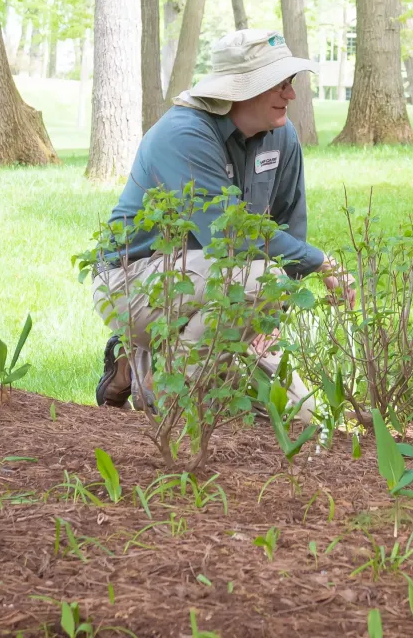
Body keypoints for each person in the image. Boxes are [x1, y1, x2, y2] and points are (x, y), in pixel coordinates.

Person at [94, 28, 350, 414]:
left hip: (225, 290)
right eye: (279, 84)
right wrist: (319, 263)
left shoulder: (283, 137)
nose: (291, 94)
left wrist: (269, 318)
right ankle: (166, 384)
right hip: (133, 283)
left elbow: (287, 224)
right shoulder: (183, 135)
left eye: (291, 82)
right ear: (243, 88)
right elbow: (230, 235)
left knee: (301, 415)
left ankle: (148, 362)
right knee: (261, 282)